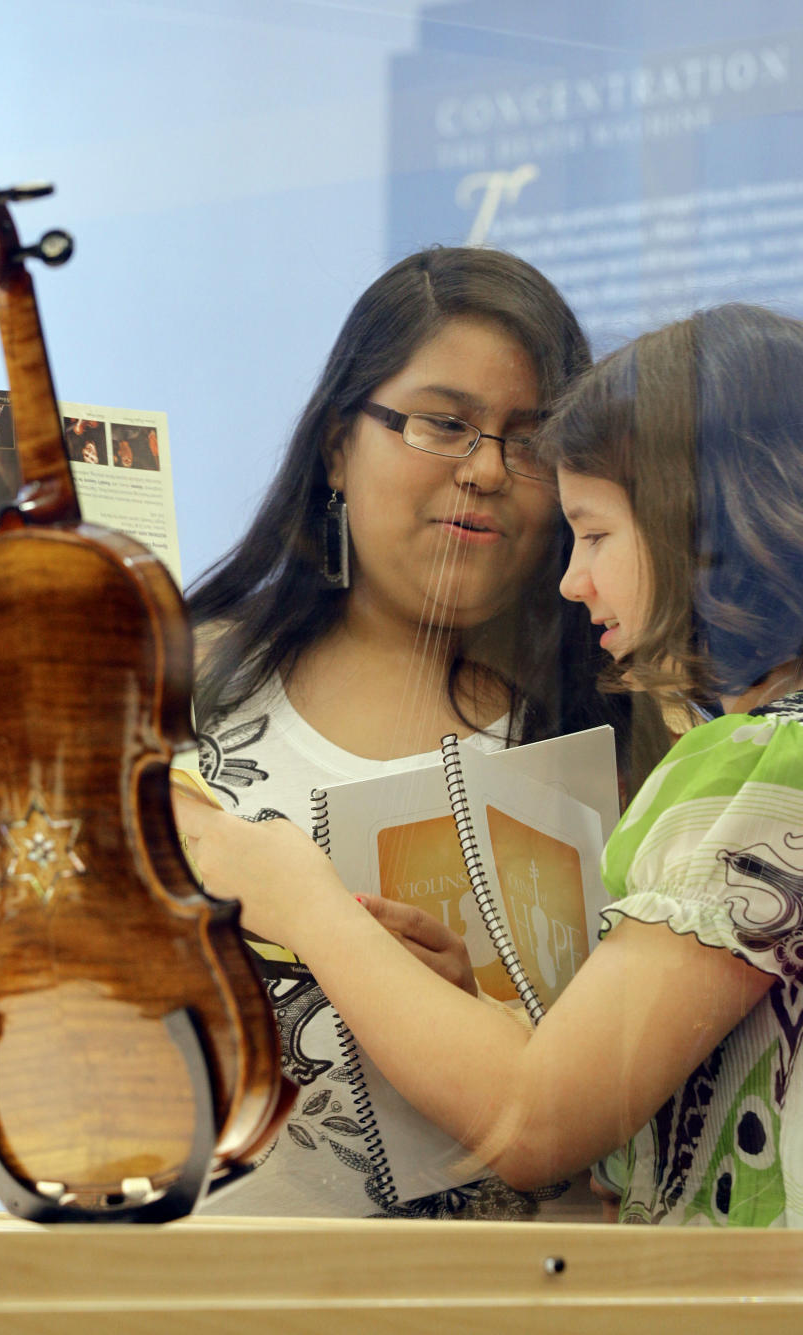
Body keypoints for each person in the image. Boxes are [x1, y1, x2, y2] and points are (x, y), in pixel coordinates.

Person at [0, 247, 653, 1221]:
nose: (484, 468)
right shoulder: (163, 683)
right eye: (444, 424)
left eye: (527, 440)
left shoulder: (623, 735)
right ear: (336, 449)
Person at [178, 301, 803, 1227]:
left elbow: (537, 1119)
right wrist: (470, 1013)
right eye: (444, 424)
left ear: (696, 522)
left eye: (594, 534)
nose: (571, 577)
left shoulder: (758, 759)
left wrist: (296, 896)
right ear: (337, 447)